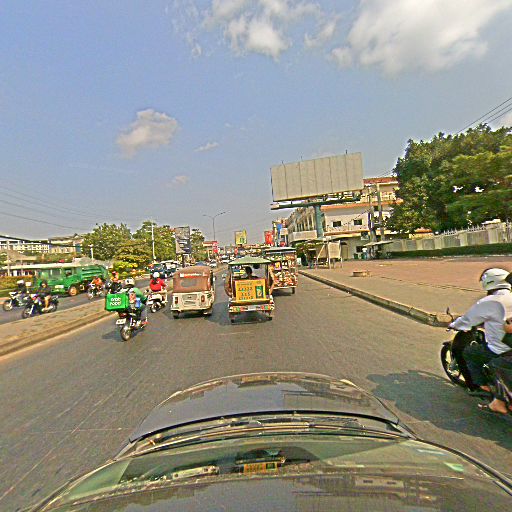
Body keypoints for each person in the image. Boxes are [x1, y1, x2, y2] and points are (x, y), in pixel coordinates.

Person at [449, 268, 512, 399]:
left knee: (470, 353)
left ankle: (482, 387)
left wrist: (453, 325)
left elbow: (466, 320)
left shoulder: (489, 301)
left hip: (501, 349)